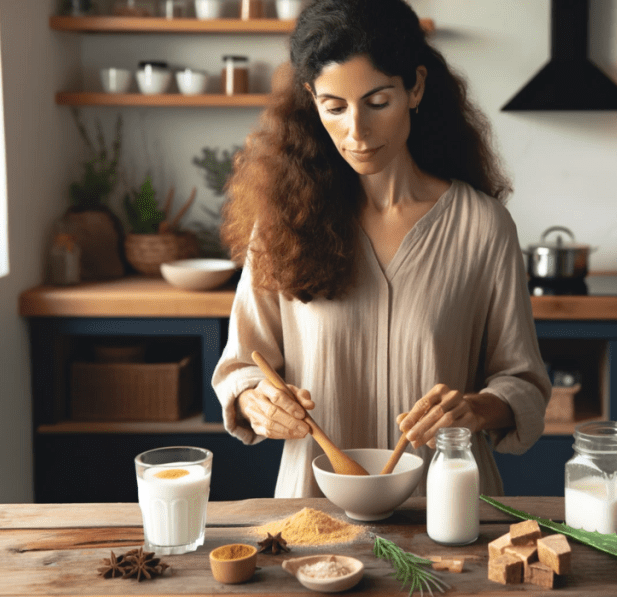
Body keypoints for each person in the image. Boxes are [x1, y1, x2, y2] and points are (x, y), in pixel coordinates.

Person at [211, 0, 551, 498]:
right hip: (315, 513)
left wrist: (476, 408)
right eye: (334, 107)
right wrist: (256, 401)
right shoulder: (283, 225)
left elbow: (523, 382)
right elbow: (242, 366)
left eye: (377, 102)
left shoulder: (483, 226)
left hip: (448, 511)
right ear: (311, 99)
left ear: (415, 87)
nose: (356, 132)